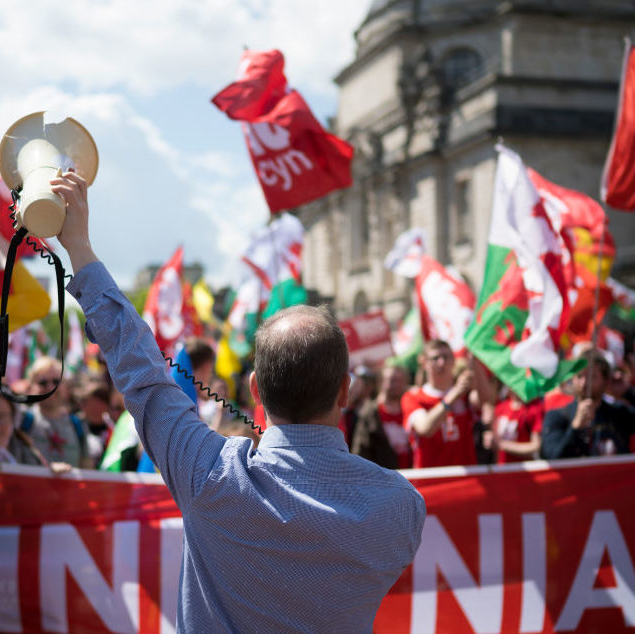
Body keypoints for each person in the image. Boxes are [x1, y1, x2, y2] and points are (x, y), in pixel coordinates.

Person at [51, 170, 425, 632]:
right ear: (345, 390)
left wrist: (80, 247)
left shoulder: (210, 474)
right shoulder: (401, 506)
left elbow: (145, 378)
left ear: (255, 391)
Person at [541, 349, 635, 459]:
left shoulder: (618, 414)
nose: (584, 383)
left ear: (605, 381)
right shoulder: (557, 416)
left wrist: (628, 393)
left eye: (592, 377)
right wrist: (575, 427)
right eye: (579, 376)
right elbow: (553, 456)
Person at [401, 339, 477, 468]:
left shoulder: (466, 393)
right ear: (424, 363)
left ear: (453, 360)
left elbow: (487, 403)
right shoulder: (413, 397)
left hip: (466, 480)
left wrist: (475, 360)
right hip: (431, 481)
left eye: (446, 357)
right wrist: (453, 395)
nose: (441, 363)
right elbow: (425, 428)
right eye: (435, 358)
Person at [22, 357, 92, 468]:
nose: (50, 387)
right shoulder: (22, 420)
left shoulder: (78, 424)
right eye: (43, 383)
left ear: (65, 387)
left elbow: (87, 468)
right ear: (30, 387)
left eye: (56, 381)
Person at [352, 363, 412, 469]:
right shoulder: (370, 412)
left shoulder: (410, 409)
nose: (395, 385)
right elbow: (360, 449)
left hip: (411, 477)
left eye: (399, 380)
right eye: (392, 380)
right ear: (381, 382)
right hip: (382, 477)